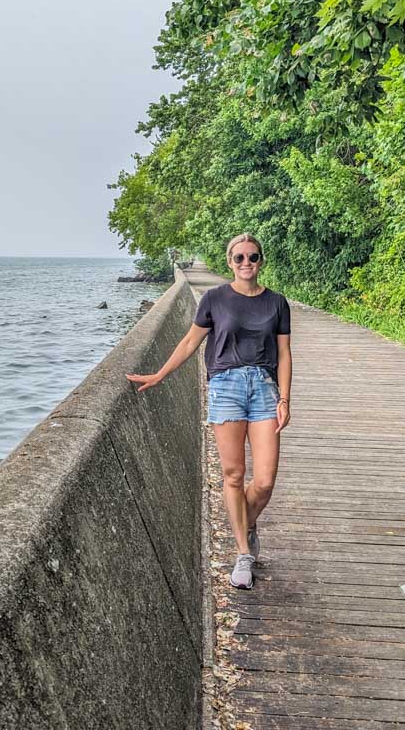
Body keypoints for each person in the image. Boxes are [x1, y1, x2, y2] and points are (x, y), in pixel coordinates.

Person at [126, 233, 291, 589]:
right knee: (233, 474)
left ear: (261, 260)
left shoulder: (277, 303)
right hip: (226, 387)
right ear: (229, 262)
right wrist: (160, 374)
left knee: (263, 481)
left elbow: (284, 354)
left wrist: (285, 398)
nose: (246, 263)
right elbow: (190, 342)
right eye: (239, 258)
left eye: (253, 257)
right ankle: (243, 553)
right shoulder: (215, 299)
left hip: (264, 388)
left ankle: (245, 522)